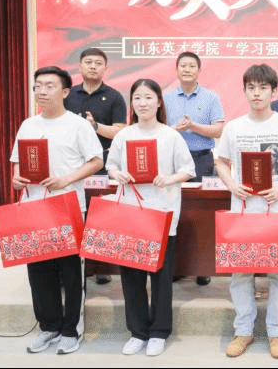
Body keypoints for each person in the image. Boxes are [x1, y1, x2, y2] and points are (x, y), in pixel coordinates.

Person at [214, 64, 278, 360]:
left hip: (276, 209)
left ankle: (277, 332)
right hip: (242, 209)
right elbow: (220, 162)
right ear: (244, 91)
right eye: (251, 88)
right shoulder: (234, 127)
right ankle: (243, 331)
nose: (257, 93)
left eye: (263, 88)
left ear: (273, 91)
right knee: (241, 273)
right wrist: (232, 185)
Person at [10, 66, 103, 355]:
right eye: (38, 85)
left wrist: (67, 179)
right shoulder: (28, 124)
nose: (41, 91)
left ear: (65, 92)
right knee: (38, 272)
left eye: (49, 86)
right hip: (34, 205)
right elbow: (17, 161)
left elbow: (96, 161)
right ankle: (48, 327)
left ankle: (71, 330)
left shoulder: (78, 125)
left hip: (67, 206)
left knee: (70, 272)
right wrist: (16, 178)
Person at [106, 79, 195, 357]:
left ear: (159, 102)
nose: (142, 103)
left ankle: (158, 332)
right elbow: (111, 166)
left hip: (162, 214)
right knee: (131, 277)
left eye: (148, 97)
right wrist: (117, 174)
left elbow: (188, 170)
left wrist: (169, 178)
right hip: (130, 214)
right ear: (131, 103)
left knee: (160, 277)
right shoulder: (123, 135)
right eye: (137, 98)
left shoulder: (170, 135)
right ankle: (138, 332)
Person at [64, 47, 127, 286]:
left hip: (101, 165)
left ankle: (100, 266)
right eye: (88, 62)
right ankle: (70, 265)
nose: (93, 66)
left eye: (98, 63)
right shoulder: (67, 95)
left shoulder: (114, 97)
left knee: (100, 217)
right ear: (79, 66)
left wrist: (95, 127)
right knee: (70, 215)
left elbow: (120, 131)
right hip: (70, 165)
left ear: (105, 68)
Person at [164, 51, 225, 287]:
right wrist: (175, 130)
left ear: (199, 71)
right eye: (183, 66)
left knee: (201, 215)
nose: (187, 69)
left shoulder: (210, 97)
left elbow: (218, 130)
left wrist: (193, 126)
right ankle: (177, 267)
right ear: (176, 70)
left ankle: (202, 268)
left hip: (201, 160)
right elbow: (158, 129)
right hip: (173, 161)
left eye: (192, 66)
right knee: (175, 214)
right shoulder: (166, 98)